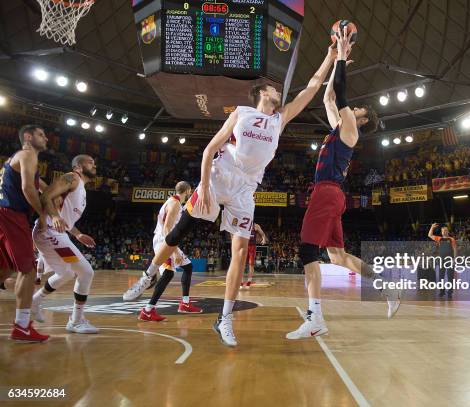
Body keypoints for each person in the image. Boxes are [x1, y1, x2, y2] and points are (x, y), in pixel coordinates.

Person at [123, 44, 337, 346]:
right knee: (179, 232)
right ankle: (148, 275)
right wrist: (206, 186)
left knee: (239, 252)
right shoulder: (242, 113)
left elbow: (313, 86)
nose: (279, 92)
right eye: (274, 89)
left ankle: (224, 319)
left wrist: (330, 55)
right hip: (220, 176)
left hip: (246, 189)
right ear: (262, 92)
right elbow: (210, 149)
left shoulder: (280, 118)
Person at [286, 27, 393, 341]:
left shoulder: (351, 130)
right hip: (334, 195)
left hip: (327, 191)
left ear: (360, 120)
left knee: (307, 249)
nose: (354, 107)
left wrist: (344, 58)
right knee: (338, 256)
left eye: (358, 110)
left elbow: (341, 95)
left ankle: (315, 317)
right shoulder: (341, 128)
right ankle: (386, 288)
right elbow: (329, 96)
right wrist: (334, 61)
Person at [31, 155, 99, 333]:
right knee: (86, 272)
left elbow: (66, 219)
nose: (94, 165)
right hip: (48, 232)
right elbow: (46, 195)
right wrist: (53, 216)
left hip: (58, 234)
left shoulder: (81, 189)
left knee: (67, 273)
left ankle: (34, 301)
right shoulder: (72, 177)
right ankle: (76, 321)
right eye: (90, 162)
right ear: (78, 166)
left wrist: (78, 234)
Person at [0, 124, 50, 342]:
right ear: (28, 137)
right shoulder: (29, 154)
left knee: (5, 268)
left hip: (3, 212)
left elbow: (36, 185)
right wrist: (42, 214)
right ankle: (22, 326)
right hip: (11, 214)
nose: (46, 138)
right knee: (28, 270)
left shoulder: (17, 157)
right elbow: (27, 188)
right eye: (41, 134)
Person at [135, 181, 203, 321]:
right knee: (168, 273)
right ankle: (148, 310)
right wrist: (176, 252)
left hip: (166, 241)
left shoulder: (175, 202)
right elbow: (167, 229)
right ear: (188, 190)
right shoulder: (175, 203)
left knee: (188, 267)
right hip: (163, 241)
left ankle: (184, 303)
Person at [428, 223, 457, 299]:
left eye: (446, 230)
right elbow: (430, 235)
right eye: (443, 231)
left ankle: (450, 292)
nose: (444, 232)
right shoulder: (439, 239)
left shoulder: (451, 239)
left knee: (450, 277)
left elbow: (454, 249)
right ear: (441, 232)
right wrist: (432, 227)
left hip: (450, 260)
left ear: (448, 231)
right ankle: (442, 291)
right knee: (441, 276)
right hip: (441, 260)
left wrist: (454, 259)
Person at [240, 223, 267, 290]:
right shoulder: (242, 223)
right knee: (242, 264)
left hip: (252, 246)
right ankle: (241, 282)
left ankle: (249, 281)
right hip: (244, 245)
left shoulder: (255, 226)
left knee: (251, 264)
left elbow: (263, 234)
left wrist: (263, 239)